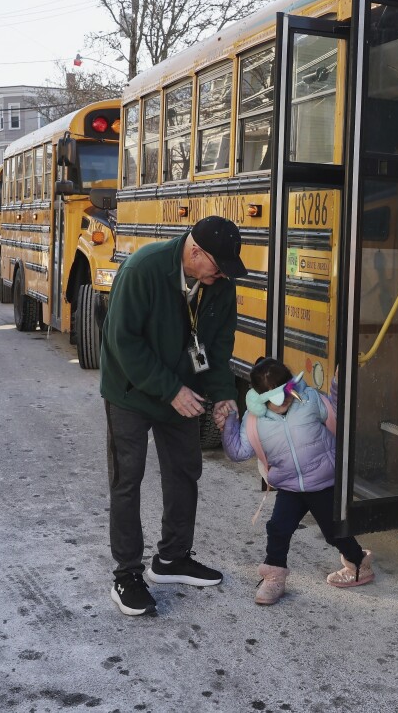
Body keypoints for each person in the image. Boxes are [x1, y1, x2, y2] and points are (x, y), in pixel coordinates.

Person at [99, 215, 246, 616]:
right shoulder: (143, 269)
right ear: (195, 252)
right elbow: (124, 342)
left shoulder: (220, 283)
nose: (223, 275)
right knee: (127, 479)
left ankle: (171, 558)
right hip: (130, 390)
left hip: (182, 389)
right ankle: (126, 574)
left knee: (185, 470)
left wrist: (223, 396)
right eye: (219, 265)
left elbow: (217, 346)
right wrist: (171, 391)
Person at [214, 357, 374, 605]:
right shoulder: (254, 421)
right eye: (277, 397)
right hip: (289, 486)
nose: (286, 399)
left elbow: (337, 412)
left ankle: (359, 564)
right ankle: (274, 577)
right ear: (261, 399)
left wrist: (337, 384)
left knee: (334, 532)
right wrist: (229, 423)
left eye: (288, 390)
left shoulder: (309, 399)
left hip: (322, 482)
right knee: (278, 529)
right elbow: (237, 452)